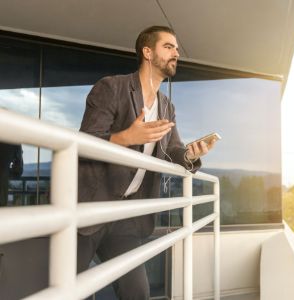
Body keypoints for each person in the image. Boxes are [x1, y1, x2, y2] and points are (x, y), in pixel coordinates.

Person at [77, 25, 215, 300]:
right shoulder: (111, 87)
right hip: (90, 209)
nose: (176, 52)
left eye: (177, 48)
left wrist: (190, 154)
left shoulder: (166, 106)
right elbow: (85, 144)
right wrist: (125, 137)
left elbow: (172, 150)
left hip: (127, 216)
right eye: (169, 46)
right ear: (147, 52)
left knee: (137, 292)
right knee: (72, 289)